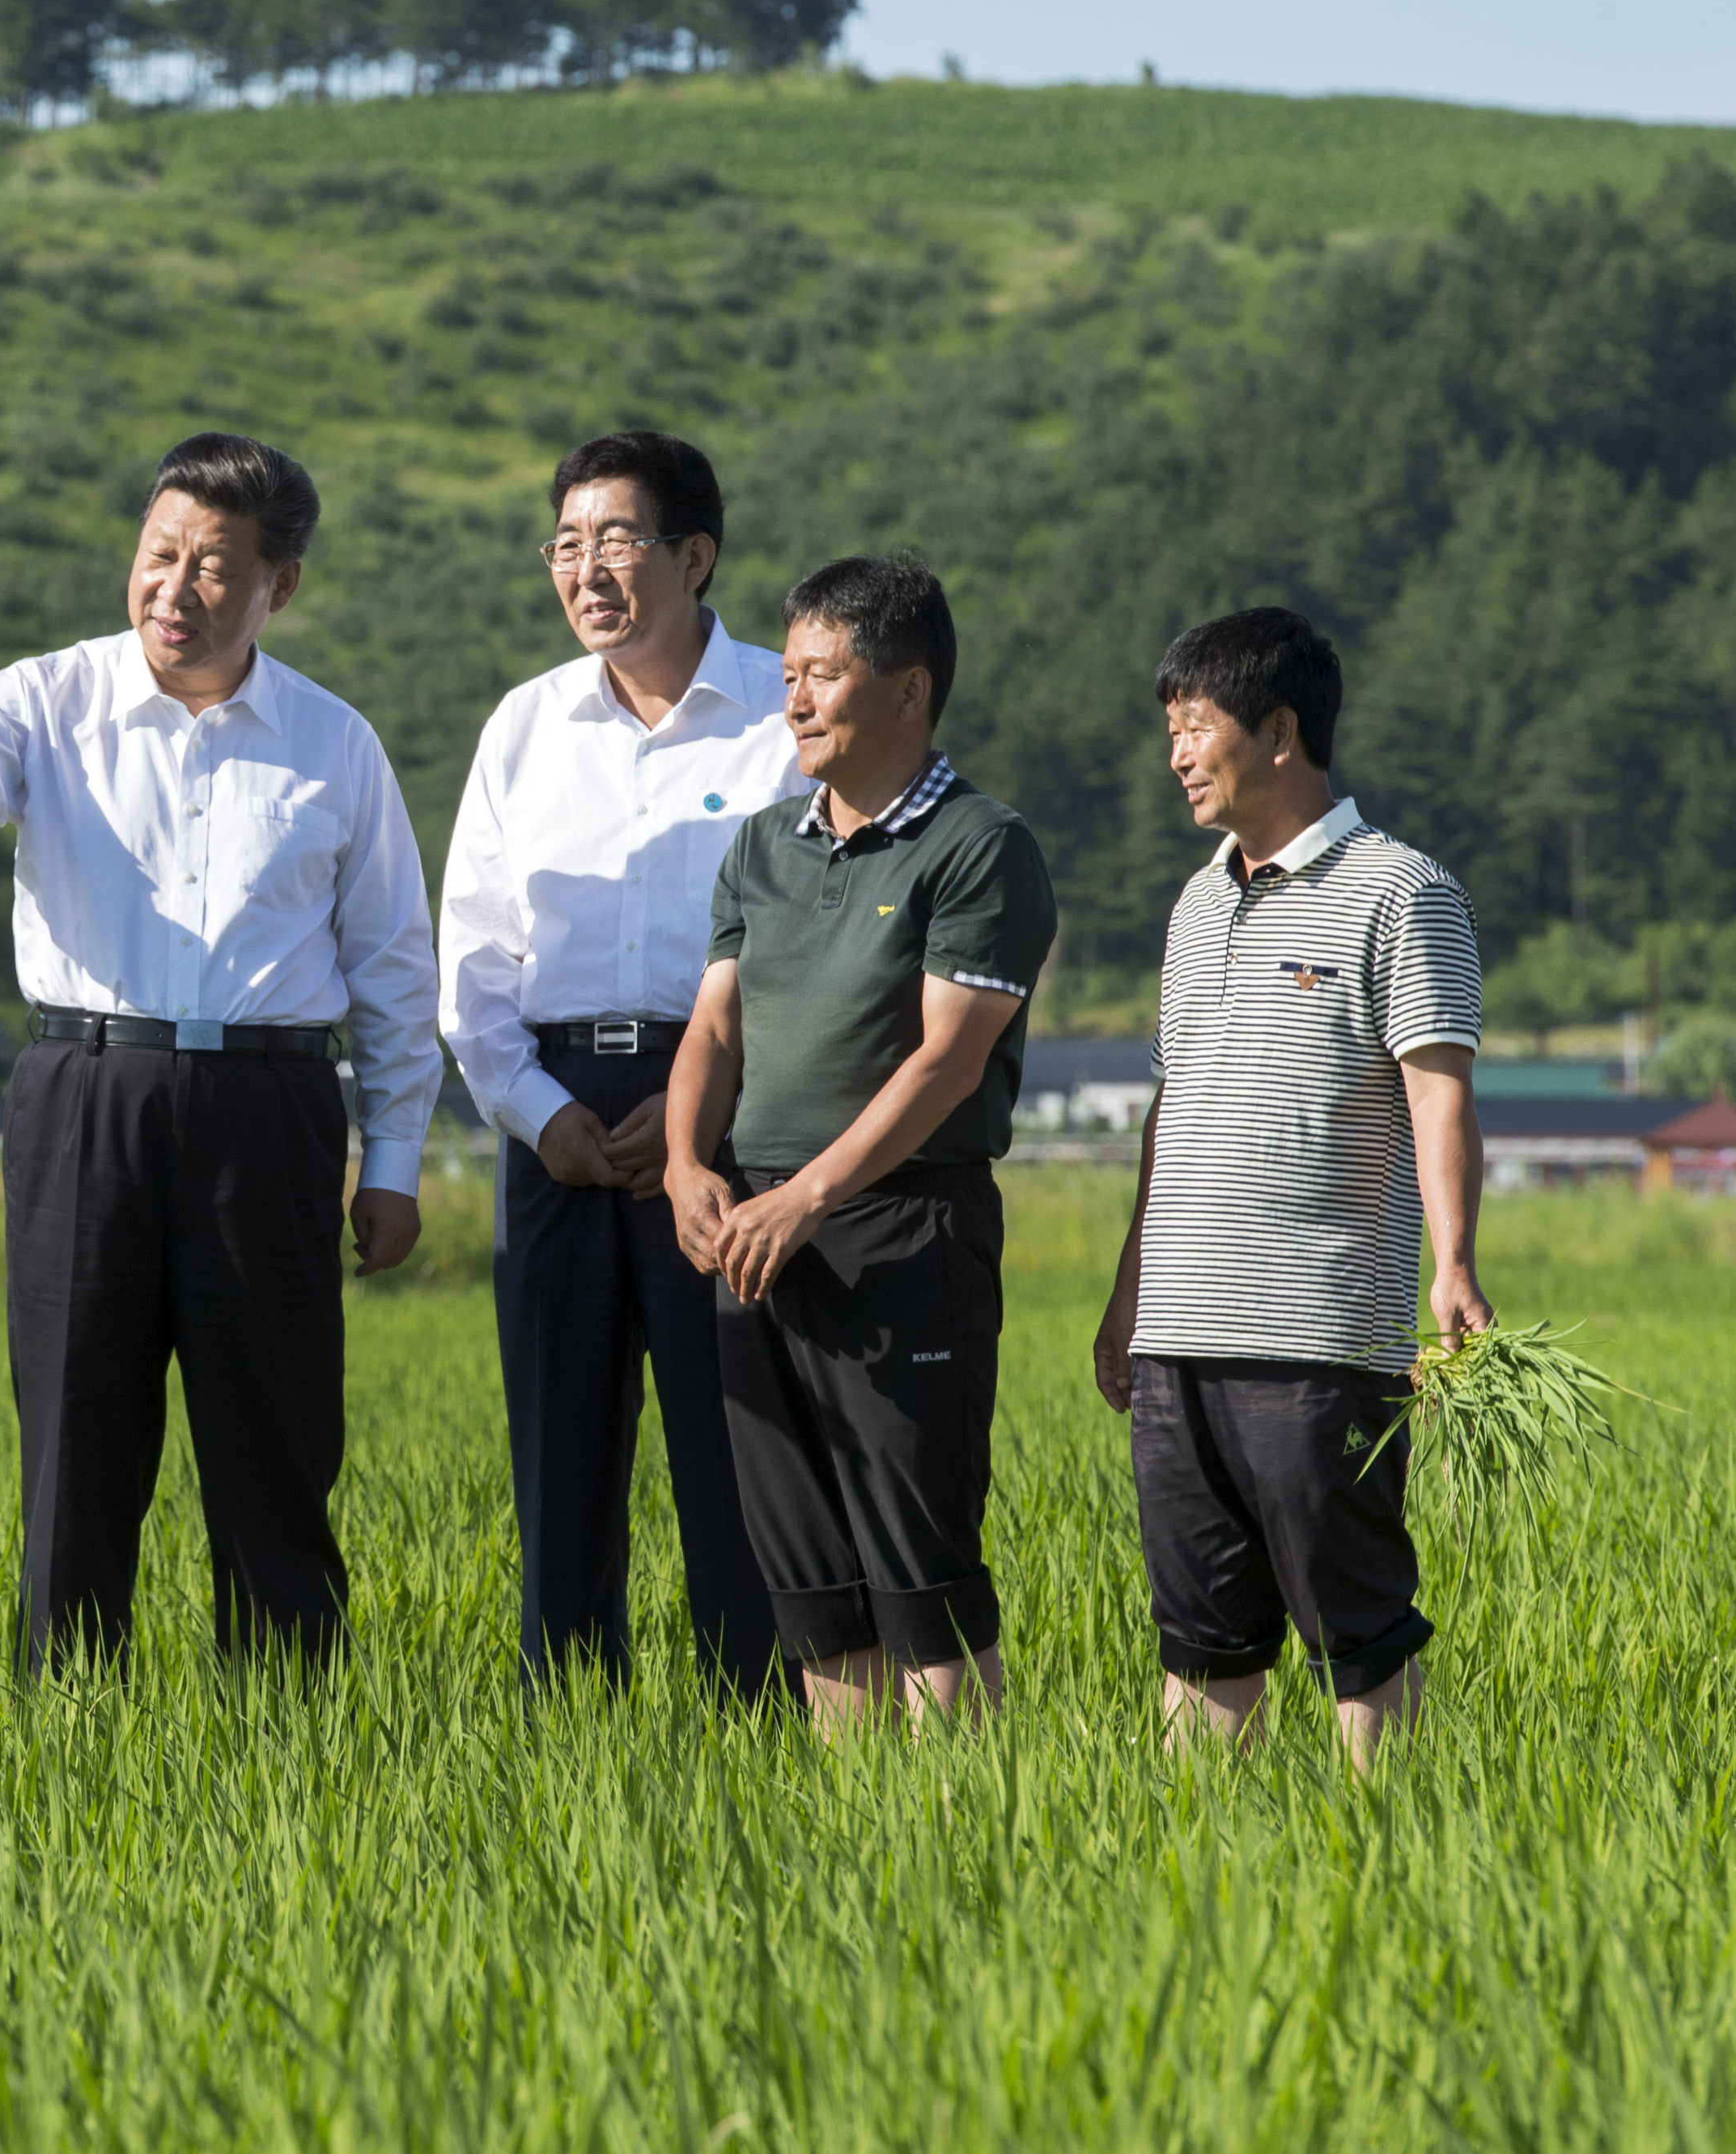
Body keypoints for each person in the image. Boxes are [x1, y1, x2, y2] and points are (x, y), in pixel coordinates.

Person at [0, 432, 441, 1677]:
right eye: (158, 555)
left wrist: (392, 1161)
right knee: (75, 1435)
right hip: (84, 1097)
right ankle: (71, 1729)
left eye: (214, 567)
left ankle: (290, 1736)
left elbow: (392, 968)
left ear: (279, 587)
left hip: (269, 1109)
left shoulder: (336, 744)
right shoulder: (48, 699)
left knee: (275, 1444)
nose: (174, 590)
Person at [664, 555, 1058, 1734]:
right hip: (754, 1232)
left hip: (898, 1227)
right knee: (812, 1587)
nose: (792, 701)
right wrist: (690, 1165)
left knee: (916, 1565)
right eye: (787, 675)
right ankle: (862, 1847)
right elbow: (713, 1029)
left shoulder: (980, 845)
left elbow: (945, 1059)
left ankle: (964, 1838)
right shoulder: (763, 845)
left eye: (822, 676)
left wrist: (813, 1197)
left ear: (906, 690)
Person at [1091, 605, 1488, 1770]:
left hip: (1317, 1336)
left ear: (1276, 731)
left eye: (1192, 726)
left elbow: (1438, 1093)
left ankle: (1397, 1852)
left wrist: (1453, 1265)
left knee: (1356, 1627)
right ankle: (1201, 1881)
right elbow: (1172, 1113)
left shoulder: (1402, 890)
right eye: (1168, 729)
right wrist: (1128, 1296)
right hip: (1178, 1334)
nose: (1174, 755)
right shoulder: (1195, 900)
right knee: (1201, 1636)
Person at [439, 431, 800, 1702]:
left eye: (618, 541)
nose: (586, 571)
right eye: (566, 545)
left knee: (733, 1451)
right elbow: (473, 959)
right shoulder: (524, 725)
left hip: (726, 1125)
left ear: (695, 557)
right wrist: (540, 1119)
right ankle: (568, 1735)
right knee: (559, 1461)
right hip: (556, 1125)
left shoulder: (780, 715)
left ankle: (748, 1728)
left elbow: (806, 937)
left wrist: (705, 1111)